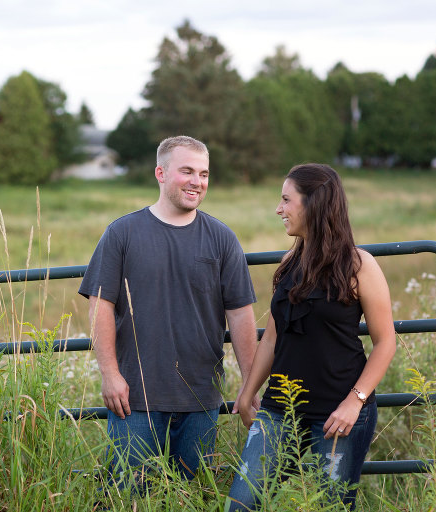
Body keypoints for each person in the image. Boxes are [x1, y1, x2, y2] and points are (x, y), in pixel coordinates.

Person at [78, 135, 258, 486]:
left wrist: (249, 387)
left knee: (190, 495)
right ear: (160, 173)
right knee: (129, 496)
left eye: (204, 174)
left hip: (200, 399)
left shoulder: (222, 239)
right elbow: (100, 305)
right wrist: (110, 374)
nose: (197, 182)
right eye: (187, 171)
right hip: (134, 399)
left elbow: (240, 315)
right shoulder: (122, 233)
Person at [227, 163, 396, 511]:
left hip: (338, 413)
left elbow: (385, 342)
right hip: (279, 410)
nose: (279, 209)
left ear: (314, 204)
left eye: (286, 200)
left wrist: (355, 402)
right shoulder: (290, 262)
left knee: (328, 507)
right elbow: (272, 338)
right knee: (241, 503)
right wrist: (248, 392)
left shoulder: (359, 265)